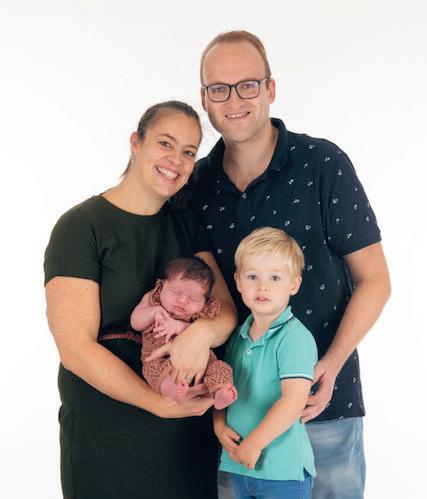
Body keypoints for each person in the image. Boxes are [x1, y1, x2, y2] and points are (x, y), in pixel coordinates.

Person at [192, 31, 391, 499]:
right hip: (235, 419)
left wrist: (331, 364)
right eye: (219, 88)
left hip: (322, 409)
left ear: (271, 89)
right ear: (204, 99)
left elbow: (376, 280)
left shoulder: (323, 164)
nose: (234, 100)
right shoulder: (196, 184)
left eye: (247, 85)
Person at [44, 100, 237, 499]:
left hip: (184, 433)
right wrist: (157, 403)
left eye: (189, 152)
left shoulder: (186, 223)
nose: (176, 160)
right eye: (165, 143)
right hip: (107, 432)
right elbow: (75, 349)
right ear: (136, 143)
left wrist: (198, 335)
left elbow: (225, 311)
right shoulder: (81, 227)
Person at [214, 227, 317, 499]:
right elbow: (219, 387)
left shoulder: (294, 337)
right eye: (252, 276)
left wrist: (255, 443)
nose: (262, 286)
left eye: (275, 277)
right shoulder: (237, 337)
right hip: (236, 464)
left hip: (282, 471)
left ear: (294, 284)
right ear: (238, 282)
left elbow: (294, 401)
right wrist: (219, 426)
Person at [108, 255, 237, 409]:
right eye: (176, 292)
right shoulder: (153, 300)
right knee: (151, 370)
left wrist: (179, 326)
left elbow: (203, 334)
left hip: (199, 361)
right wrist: (152, 312)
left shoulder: (202, 312)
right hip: (158, 358)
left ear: (205, 301)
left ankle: (220, 392)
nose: (183, 301)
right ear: (162, 285)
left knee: (219, 367)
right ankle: (173, 391)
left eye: (194, 299)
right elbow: (135, 323)